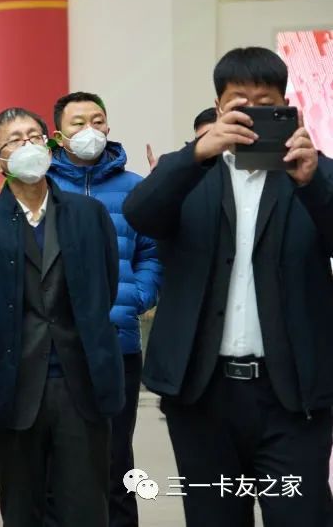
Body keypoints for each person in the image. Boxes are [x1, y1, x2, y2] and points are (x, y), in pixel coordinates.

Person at [123, 47, 333, 526]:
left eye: (266, 103)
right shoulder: (188, 174)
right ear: (219, 107)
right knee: (212, 517)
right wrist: (195, 153)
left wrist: (313, 181)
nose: (253, 114)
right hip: (203, 396)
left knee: (302, 516)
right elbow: (140, 214)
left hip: (293, 398)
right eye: (240, 102)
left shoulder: (312, 174)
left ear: (286, 106)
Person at [0, 107, 123, 527]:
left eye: (35, 136)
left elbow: (105, 285)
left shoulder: (88, 214)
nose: (29, 145)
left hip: (80, 382)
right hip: (11, 385)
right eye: (15, 140)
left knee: (86, 508)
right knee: (21, 509)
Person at [47, 92, 161, 527]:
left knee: (117, 462)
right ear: (58, 134)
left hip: (117, 342)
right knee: (58, 464)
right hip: (56, 349)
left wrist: (135, 297)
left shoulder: (135, 188)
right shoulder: (43, 186)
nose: (89, 130)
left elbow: (152, 252)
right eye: (78, 123)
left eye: (97, 120)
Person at [147, 107, 219, 170]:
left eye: (208, 139)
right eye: (198, 141)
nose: (203, 147)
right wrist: (158, 176)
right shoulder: (191, 170)